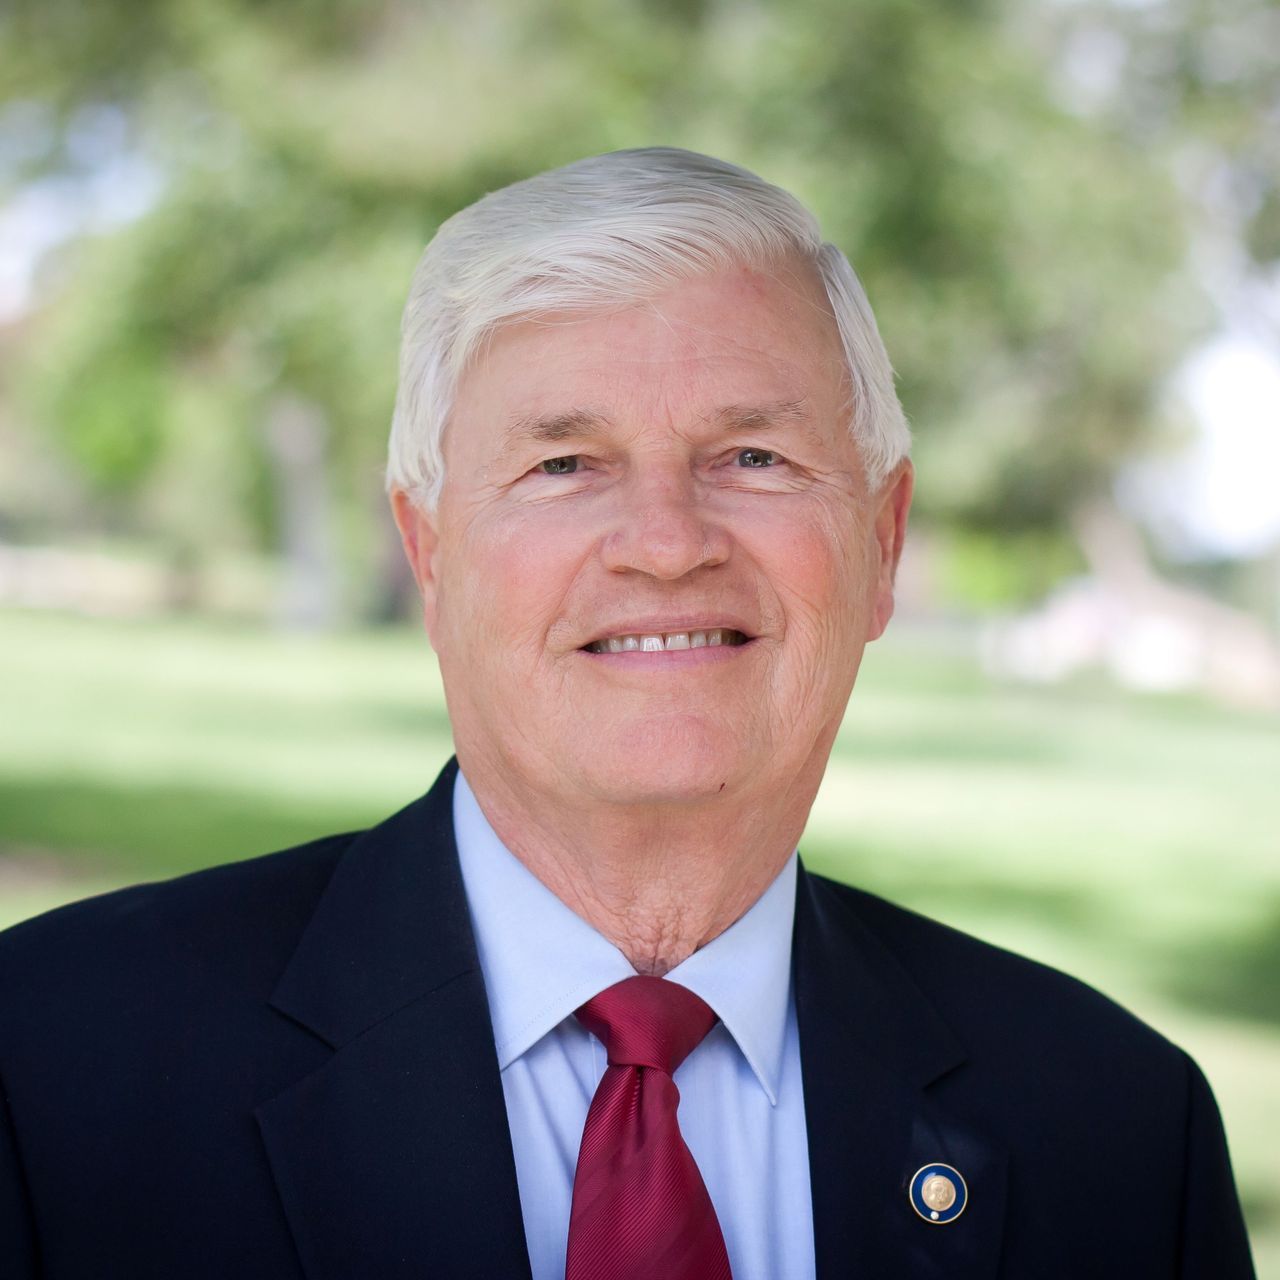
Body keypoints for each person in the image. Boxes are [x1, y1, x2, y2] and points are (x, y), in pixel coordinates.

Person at [0, 148, 1255, 1279]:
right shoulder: (47, 1066)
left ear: (880, 542)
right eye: (564, 463)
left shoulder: (1122, 1133)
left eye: (751, 456)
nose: (664, 542)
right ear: (428, 550)